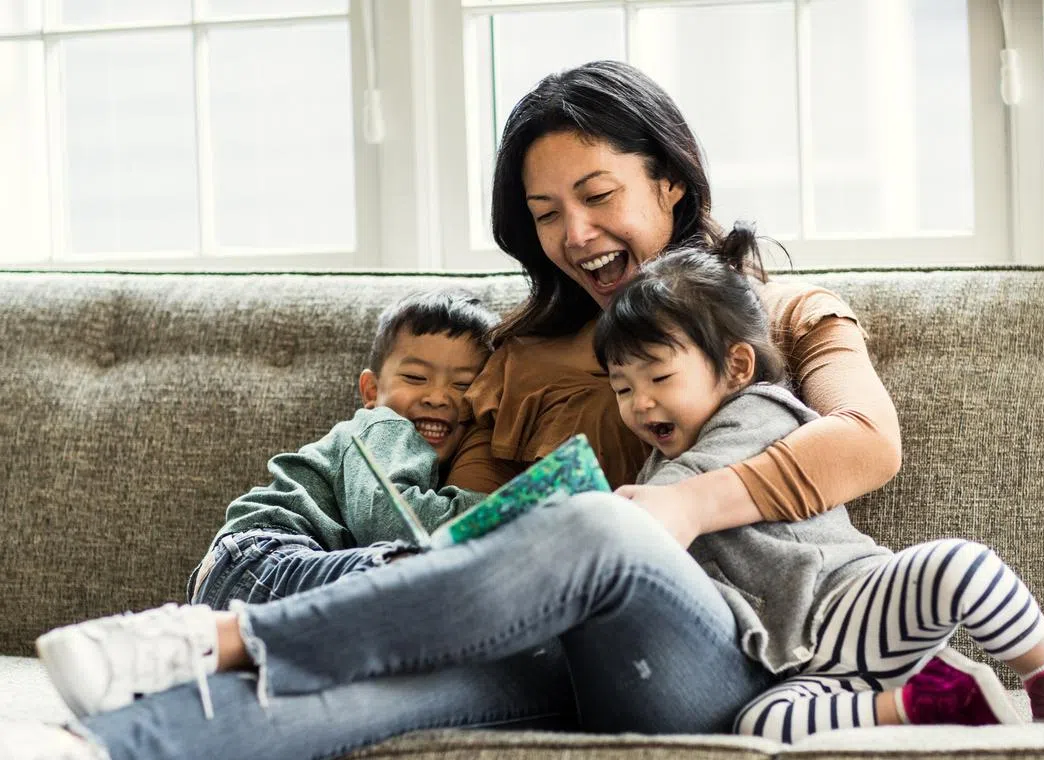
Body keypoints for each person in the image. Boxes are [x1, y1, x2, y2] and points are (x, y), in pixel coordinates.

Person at [6, 60, 903, 760]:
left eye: (598, 197)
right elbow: (462, 537)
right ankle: (99, 743)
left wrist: (686, 503)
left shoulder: (781, 311)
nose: (575, 237)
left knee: (601, 529)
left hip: (713, 655)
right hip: (531, 649)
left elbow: (867, 442)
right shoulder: (514, 353)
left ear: (669, 181)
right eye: (547, 214)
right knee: (363, 690)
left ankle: (223, 636)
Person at [591, 226, 1044, 743]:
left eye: (658, 378)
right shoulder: (655, 476)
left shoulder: (756, 413)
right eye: (623, 388)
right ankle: (924, 704)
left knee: (958, 564)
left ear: (737, 366)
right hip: (801, 663)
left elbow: (688, 484)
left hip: (856, 601)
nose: (639, 403)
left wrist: (609, 518)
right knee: (757, 722)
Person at [37, 289, 497, 720]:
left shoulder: (444, 456)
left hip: (257, 579)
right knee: (405, 575)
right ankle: (142, 644)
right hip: (262, 557)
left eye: (463, 384)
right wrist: (493, 510)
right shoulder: (381, 428)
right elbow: (392, 519)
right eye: (416, 377)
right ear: (371, 390)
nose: (439, 397)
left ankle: (174, 680)